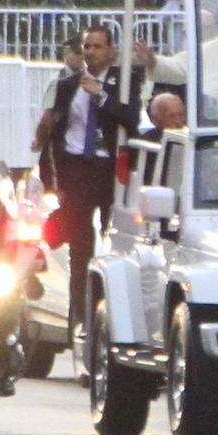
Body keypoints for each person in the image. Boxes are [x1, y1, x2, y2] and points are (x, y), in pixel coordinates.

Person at [40, 24, 141, 259]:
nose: (91, 52)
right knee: (79, 237)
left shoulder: (125, 83)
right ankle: (78, 281)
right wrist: (54, 180)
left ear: (111, 51)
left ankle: (105, 275)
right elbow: (56, 132)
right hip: (76, 166)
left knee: (111, 232)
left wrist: (101, 95)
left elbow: (131, 118)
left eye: (98, 46)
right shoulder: (67, 85)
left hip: (108, 168)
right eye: (87, 46)